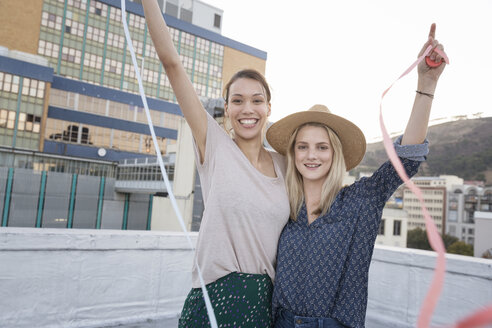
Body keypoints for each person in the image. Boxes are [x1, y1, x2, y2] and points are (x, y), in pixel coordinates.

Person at [266, 23, 446, 328]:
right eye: (303, 147)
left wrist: (426, 83)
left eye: (322, 147)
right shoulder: (281, 205)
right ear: (293, 153)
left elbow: (406, 158)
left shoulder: (361, 201)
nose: (312, 155)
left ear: (335, 154)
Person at [141, 0, 290, 326]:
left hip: (264, 303)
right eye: (237, 100)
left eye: (257, 100)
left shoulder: (285, 165)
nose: (247, 109)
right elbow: (172, 64)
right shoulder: (215, 145)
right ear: (226, 107)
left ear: (269, 109)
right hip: (213, 297)